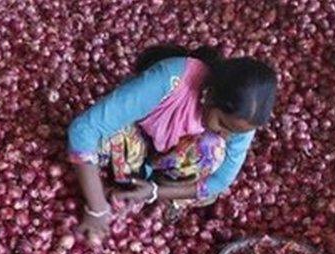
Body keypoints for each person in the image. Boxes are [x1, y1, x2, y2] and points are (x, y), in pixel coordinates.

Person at [68, 45, 278, 242]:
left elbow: (220, 181)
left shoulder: (243, 121)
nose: (226, 135)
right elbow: (83, 130)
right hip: (134, 139)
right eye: (222, 124)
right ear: (210, 95)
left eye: (236, 132)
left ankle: (150, 189)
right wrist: (97, 208)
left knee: (213, 152)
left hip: (167, 166)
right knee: (104, 137)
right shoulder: (172, 80)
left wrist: (155, 191)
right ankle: (120, 184)